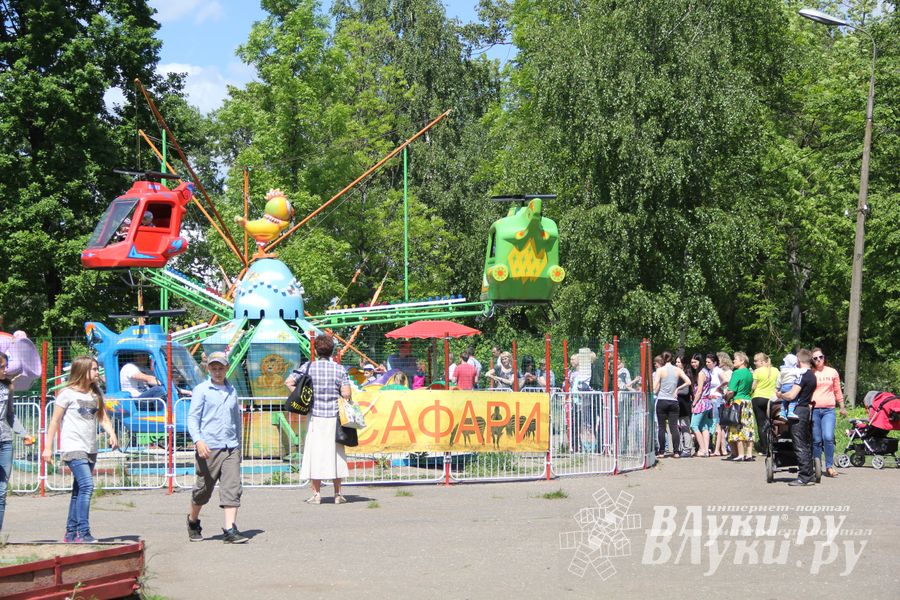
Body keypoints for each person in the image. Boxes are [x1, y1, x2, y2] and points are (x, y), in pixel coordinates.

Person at [42, 356, 118, 543]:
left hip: (90, 448)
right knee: (87, 486)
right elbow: (55, 421)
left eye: (97, 369)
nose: (96, 372)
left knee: (78, 491)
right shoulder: (67, 394)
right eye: (93, 369)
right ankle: (83, 533)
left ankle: (70, 533)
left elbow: (103, 419)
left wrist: (112, 433)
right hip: (72, 446)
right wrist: (47, 448)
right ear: (82, 371)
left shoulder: (95, 394)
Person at [186, 351, 247, 543]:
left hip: (231, 447)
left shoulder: (232, 391)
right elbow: (193, 418)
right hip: (208, 447)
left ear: (227, 368)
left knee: (232, 487)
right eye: (214, 368)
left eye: (221, 368)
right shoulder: (202, 390)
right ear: (208, 369)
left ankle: (230, 529)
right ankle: (193, 520)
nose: (217, 372)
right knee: (203, 490)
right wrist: (198, 440)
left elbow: (236, 420)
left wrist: (239, 446)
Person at [294, 334, 352, 505]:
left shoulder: (308, 367)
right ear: (332, 350)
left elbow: (289, 381)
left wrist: (303, 398)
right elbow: (346, 393)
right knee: (336, 455)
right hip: (334, 418)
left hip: (315, 417)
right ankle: (338, 494)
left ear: (316, 349)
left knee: (315, 455)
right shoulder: (339, 369)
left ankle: (317, 494)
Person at [0, 352, 35, 533]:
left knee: (2, 490)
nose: (5, 370)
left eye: (6, 366)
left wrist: (24, 434)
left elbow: (10, 415)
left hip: (5, 441)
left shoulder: (7, 388)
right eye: (2, 367)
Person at [777, 349, 817, 486]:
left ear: (798, 361)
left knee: (799, 444)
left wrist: (780, 395)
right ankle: (809, 474)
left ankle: (804, 477)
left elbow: (791, 395)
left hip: (798, 411)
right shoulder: (812, 375)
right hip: (805, 409)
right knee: (805, 443)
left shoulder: (802, 375)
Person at [810, 348, 846, 478]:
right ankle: (817, 466)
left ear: (824, 357)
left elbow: (837, 390)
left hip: (829, 410)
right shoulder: (810, 372)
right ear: (812, 361)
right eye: (815, 358)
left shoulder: (832, 372)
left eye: (821, 357)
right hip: (813, 410)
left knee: (828, 437)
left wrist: (842, 406)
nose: (819, 360)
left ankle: (829, 466)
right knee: (816, 440)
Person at [653, 352, 691, 458]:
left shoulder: (660, 370)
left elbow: (655, 386)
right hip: (673, 401)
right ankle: (676, 452)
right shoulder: (678, 370)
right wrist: (677, 389)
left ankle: (661, 451)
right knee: (674, 427)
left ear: (663, 360)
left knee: (661, 427)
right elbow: (688, 382)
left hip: (662, 400)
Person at [724, 351, 755, 461]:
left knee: (738, 427)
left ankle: (740, 454)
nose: (733, 361)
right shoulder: (749, 373)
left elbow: (731, 391)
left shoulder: (736, 373)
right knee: (748, 427)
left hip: (738, 402)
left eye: (735, 359)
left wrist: (726, 399)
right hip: (748, 402)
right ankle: (749, 454)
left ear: (742, 361)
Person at [750, 353, 779, 456]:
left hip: (758, 398)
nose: (754, 363)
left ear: (762, 361)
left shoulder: (757, 371)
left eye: (756, 361)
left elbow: (753, 386)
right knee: (772, 422)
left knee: (761, 423)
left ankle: (764, 448)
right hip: (771, 399)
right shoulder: (775, 370)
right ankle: (774, 444)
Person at [690, 354, 718, 457]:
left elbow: (699, 391)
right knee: (704, 426)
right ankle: (707, 449)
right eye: (692, 362)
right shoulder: (707, 372)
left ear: (700, 361)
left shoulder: (701, 373)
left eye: (695, 362)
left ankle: (702, 449)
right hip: (707, 403)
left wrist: (694, 404)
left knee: (694, 425)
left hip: (701, 402)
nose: (693, 364)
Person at [675, 355, 696, 456]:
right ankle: (679, 448)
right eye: (676, 362)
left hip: (684, 404)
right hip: (678, 404)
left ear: (683, 364)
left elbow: (686, 391)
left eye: (679, 362)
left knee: (684, 427)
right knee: (678, 427)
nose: (676, 364)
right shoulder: (678, 374)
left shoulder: (685, 375)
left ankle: (687, 449)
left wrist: (675, 391)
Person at [777, 354, 801, 421]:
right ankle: (790, 412)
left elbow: (779, 380)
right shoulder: (794, 370)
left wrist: (777, 388)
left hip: (783, 387)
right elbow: (799, 375)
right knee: (793, 399)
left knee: (784, 400)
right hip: (791, 386)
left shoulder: (782, 370)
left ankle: (782, 413)